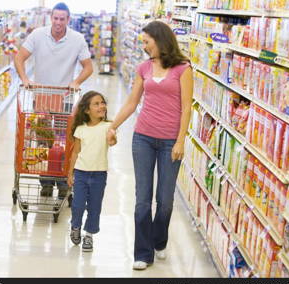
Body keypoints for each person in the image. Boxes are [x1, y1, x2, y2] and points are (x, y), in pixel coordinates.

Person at [106, 21, 193, 270]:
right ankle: (142, 253)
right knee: (142, 198)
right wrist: (113, 125)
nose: (143, 46)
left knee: (164, 200)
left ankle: (159, 240)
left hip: (169, 143)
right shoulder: (143, 67)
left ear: (160, 39)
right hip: (142, 137)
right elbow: (132, 102)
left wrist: (180, 140)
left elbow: (187, 107)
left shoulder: (182, 69)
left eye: (146, 41)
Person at [14, 2, 94, 198]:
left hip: (66, 100)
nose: (58, 22)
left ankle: (63, 181)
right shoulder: (38, 35)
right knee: (44, 143)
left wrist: (76, 81)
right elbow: (19, 58)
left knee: (64, 143)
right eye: (55, 18)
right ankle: (46, 183)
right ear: (51, 18)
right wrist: (25, 79)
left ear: (68, 20)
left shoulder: (77, 39)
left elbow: (88, 67)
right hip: (41, 98)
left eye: (62, 19)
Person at [68, 91, 116, 252]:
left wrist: (112, 138)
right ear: (87, 110)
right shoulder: (80, 129)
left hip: (99, 174)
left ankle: (89, 235)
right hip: (81, 173)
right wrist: (70, 173)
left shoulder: (108, 126)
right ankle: (75, 226)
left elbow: (113, 141)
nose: (101, 106)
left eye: (102, 102)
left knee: (95, 207)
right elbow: (75, 152)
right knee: (78, 205)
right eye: (96, 104)